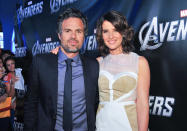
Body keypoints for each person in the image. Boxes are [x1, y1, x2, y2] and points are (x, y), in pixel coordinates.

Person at [24, 8, 99, 131]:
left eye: (78, 31)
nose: (73, 36)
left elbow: (97, 103)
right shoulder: (41, 63)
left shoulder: (93, 66)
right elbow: (31, 104)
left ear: (84, 35)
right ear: (59, 35)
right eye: (68, 31)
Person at [95, 10, 150, 131]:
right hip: (102, 125)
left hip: (129, 126)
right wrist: (59, 54)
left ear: (123, 32)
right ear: (101, 34)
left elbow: (143, 105)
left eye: (115, 30)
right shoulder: (98, 62)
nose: (111, 36)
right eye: (106, 31)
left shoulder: (140, 62)